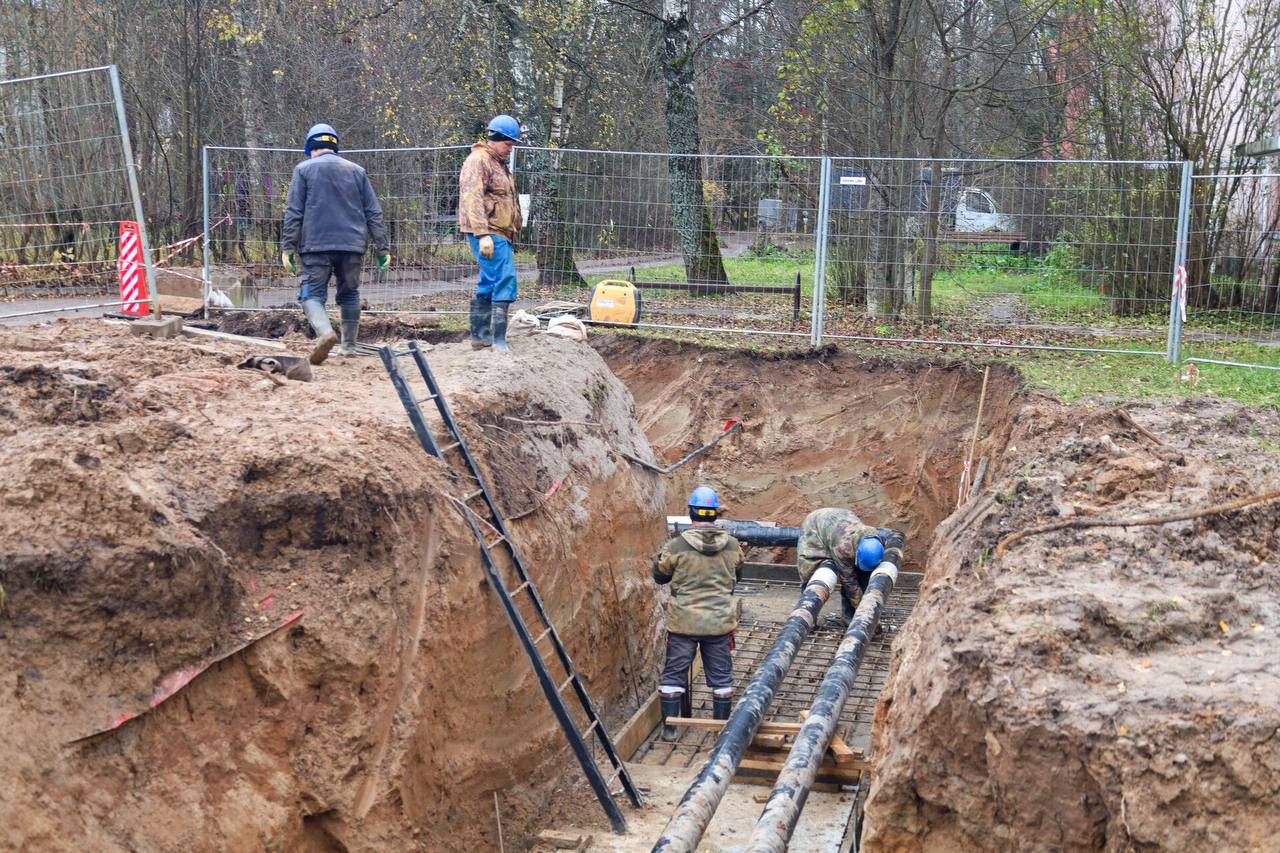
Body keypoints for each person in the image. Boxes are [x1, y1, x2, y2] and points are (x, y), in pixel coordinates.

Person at [281, 123, 390, 364]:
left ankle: (326, 333)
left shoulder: (303, 170)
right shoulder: (356, 171)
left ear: (310, 147)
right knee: (349, 293)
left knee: (311, 295)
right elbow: (374, 212)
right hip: (352, 245)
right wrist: (383, 247)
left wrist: (288, 247)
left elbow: (294, 212)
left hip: (316, 245)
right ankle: (349, 347)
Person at [653, 486, 744, 740]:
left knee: (674, 675)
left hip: (684, 623)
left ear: (691, 512)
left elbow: (660, 576)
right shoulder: (733, 545)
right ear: (714, 514)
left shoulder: (677, 546)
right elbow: (738, 574)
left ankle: (670, 729)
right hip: (718, 624)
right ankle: (720, 732)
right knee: (722, 679)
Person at [458, 114, 523, 353]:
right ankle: (499, 340)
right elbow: (472, 198)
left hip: (500, 231)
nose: (511, 148)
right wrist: (482, 234)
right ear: (496, 138)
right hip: (489, 231)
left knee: (489, 280)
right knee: (505, 278)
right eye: (508, 143)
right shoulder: (479, 160)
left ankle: (480, 335)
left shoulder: (498, 163)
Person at [797, 507, 904, 627]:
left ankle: (850, 618)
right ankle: (806, 619)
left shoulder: (874, 537)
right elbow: (849, 583)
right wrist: (864, 612)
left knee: (861, 574)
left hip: (840, 520)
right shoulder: (843, 548)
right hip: (815, 524)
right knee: (810, 570)